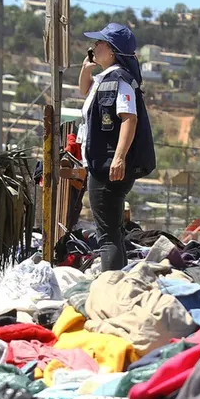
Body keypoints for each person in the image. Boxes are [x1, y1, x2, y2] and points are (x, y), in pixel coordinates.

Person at [78, 23, 155, 271]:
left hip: (108, 168)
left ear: (111, 50)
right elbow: (86, 92)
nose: (93, 47)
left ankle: (110, 288)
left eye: (99, 44)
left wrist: (119, 158)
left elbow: (128, 118)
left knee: (107, 236)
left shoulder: (118, 80)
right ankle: (117, 282)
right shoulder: (106, 79)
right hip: (105, 165)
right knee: (113, 232)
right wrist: (85, 69)